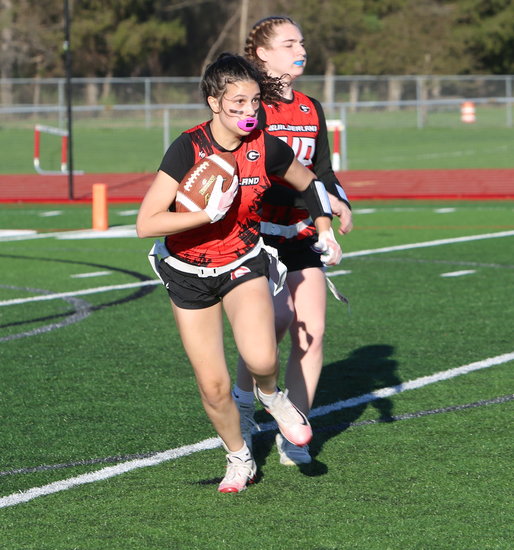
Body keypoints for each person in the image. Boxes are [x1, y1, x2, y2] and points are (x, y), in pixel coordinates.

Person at [136, 53, 342, 493]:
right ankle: (238, 456)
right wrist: (203, 215)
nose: (249, 112)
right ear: (214, 103)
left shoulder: (266, 146)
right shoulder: (188, 148)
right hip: (187, 270)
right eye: (238, 104)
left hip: (242, 260)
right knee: (213, 386)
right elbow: (146, 223)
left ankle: (272, 397)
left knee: (263, 359)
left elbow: (310, 183)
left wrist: (324, 227)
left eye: (254, 102)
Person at [232, 16, 353, 466]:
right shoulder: (251, 106)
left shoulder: (310, 107)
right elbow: (252, 171)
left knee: (313, 332)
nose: (300, 50)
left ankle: (294, 432)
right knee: (275, 324)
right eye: (289, 44)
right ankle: (244, 409)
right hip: (260, 232)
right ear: (263, 53)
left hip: (302, 232)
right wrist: (313, 196)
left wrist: (338, 201)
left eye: (301, 42)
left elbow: (321, 170)